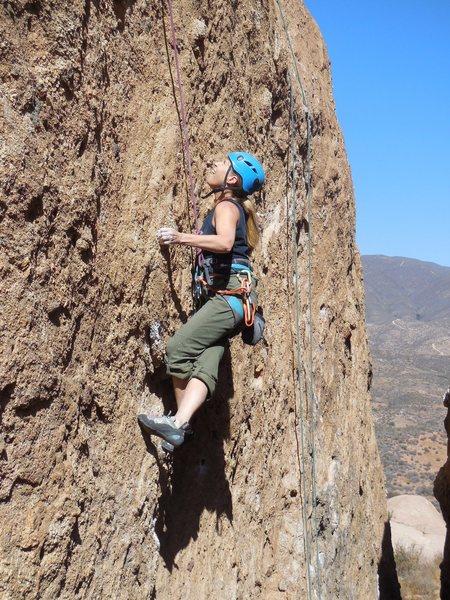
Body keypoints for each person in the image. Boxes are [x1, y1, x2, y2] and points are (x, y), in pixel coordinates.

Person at [138, 152, 265, 452]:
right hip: (234, 301)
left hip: (229, 297)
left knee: (177, 349)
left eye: (222, 164)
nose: (214, 164)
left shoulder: (226, 206)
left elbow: (224, 243)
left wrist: (180, 237)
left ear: (232, 179)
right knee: (207, 362)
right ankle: (181, 425)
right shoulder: (229, 206)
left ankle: (179, 424)